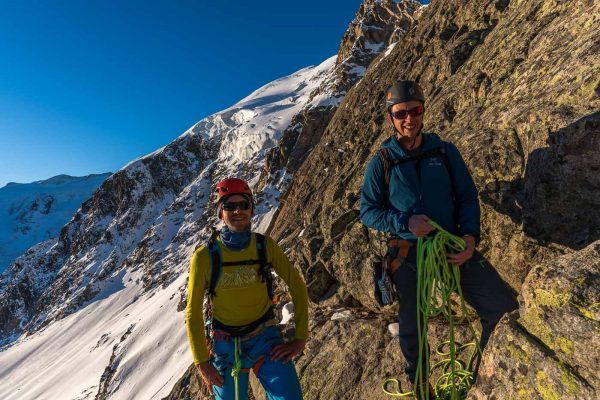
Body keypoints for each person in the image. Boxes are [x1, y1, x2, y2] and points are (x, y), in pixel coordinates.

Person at [360, 80, 518, 392]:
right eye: (401, 113)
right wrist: (406, 222)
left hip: (452, 244)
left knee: (501, 307)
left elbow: (467, 197)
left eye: (414, 110)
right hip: (407, 248)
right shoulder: (382, 162)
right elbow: (368, 210)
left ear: (423, 111)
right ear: (390, 118)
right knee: (412, 320)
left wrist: (471, 238)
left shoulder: (444, 152)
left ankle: (483, 379)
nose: (409, 118)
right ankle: (420, 384)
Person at [186, 178, 309, 400]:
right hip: (225, 345)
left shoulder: (265, 246)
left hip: (265, 337)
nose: (237, 211)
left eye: (243, 205)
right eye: (229, 206)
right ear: (220, 213)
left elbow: (298, 287)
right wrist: (202, 362)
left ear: (251, 208)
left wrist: (300, 339)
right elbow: (192, 312)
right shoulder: (204, 257)